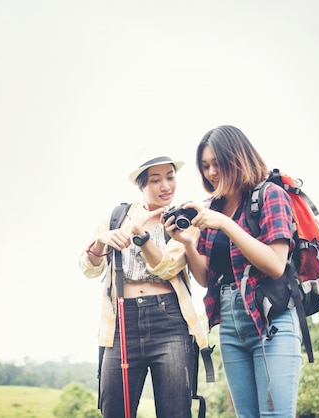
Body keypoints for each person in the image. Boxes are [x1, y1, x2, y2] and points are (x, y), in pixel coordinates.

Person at [167, 125, 301, 417]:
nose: (212, 172)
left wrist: (225, 224)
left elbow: (276, 265)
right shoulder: (211, 207)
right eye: (205, 166)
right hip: (229, 323)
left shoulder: (270, 195)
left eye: (217, 163)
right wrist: (189, 244)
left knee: (275, 415)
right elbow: (205, 279)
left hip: (271, 319)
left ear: (237, 157)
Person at [79, 155, 208, 418]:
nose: (166, 186)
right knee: (114, 411)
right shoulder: (116, 217)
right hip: (120, 322)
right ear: (140, 186)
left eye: (170, 177)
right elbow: (88, 268)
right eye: (155, 180)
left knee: (176, 412)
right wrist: (101, 241)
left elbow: (167, 267)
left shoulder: (184, 222)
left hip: (170, 321)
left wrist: (142, 239)